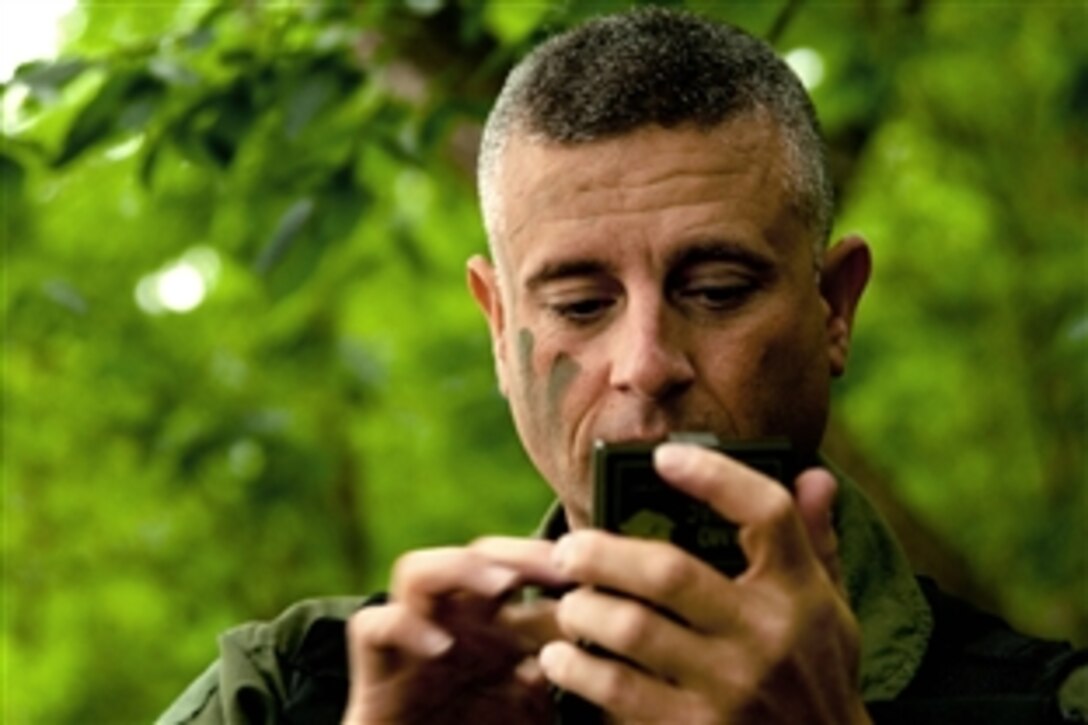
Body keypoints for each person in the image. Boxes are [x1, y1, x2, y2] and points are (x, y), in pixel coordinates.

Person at [160, 8, 1086, 724]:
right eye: (579, 304)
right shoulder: (294, 688)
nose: (646, 363)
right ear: (498, 328)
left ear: (833, 308)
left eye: (718, 289)